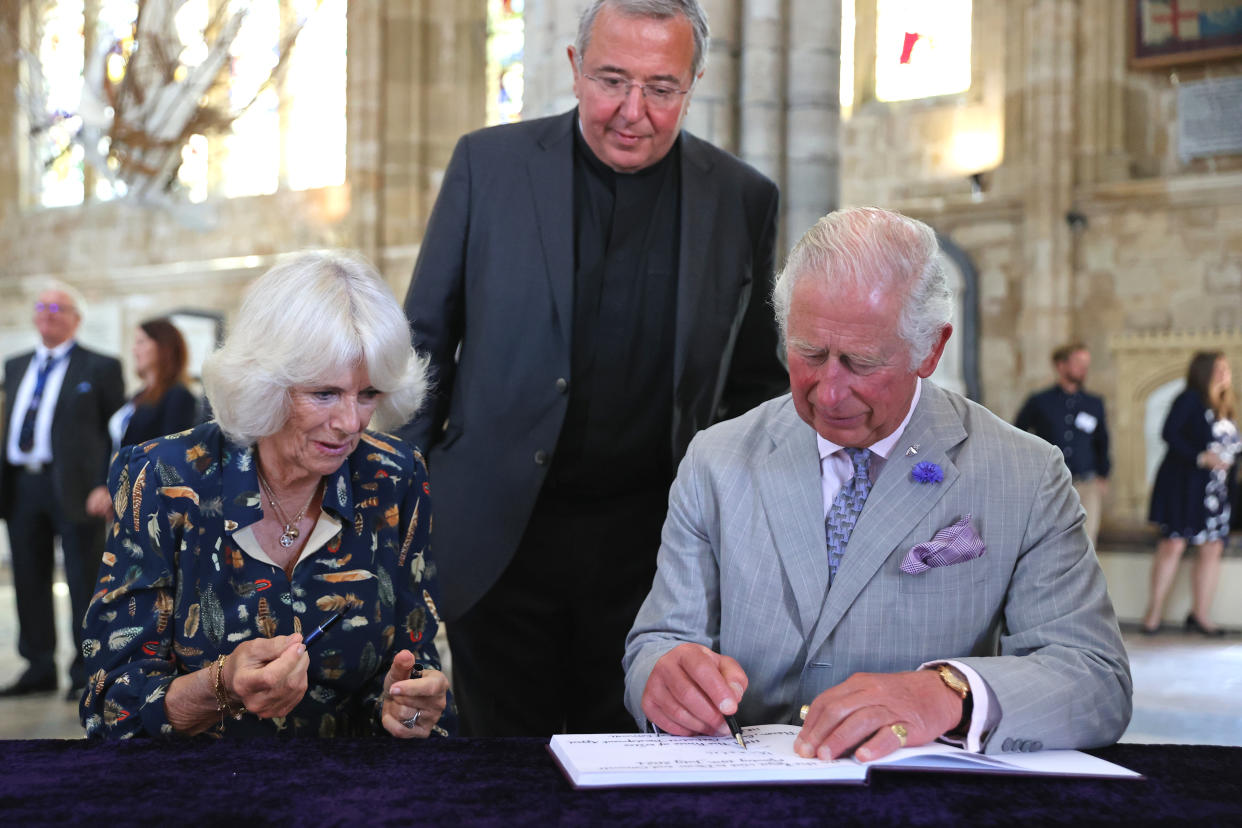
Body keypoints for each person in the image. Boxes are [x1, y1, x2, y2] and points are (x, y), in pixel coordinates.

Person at [398, 0, 786, 736]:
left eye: (661, 88)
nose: (632, 111)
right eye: (612, 79)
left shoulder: (743, 198)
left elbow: (755, 387)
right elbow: (421, 350)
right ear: (575, 70)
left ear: (693, 83)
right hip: (498, 543)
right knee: (499, 774)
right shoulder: (489, 166)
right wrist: (403, 515)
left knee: (633, 777)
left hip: (657, 559)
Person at [624, 207, 1132, 762]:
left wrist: (946, 693)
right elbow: (659, 641)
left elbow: (1095, 679)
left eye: (861, 363)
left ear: (932, 351)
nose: (829, 392)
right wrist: (661, 678)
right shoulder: (717, 459)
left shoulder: (1025, 475)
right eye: (809, 354)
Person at [80, 252, 455, 739]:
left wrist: (407, 704)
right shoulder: (162, 478)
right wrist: (220, 687)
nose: (350, 424)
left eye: (368, 394)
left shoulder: (395, 477)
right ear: (265, 384)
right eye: (325, 393)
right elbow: (108, 705)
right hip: (197, 792)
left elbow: (415, 657)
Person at [1, 283, 125, 699]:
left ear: (76, 317)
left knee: (83, 578)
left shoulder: (101, 367)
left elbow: (118, 434)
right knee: (28, 577)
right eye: (42, 307)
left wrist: (106, 485)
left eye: (58, 308)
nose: (49, 314)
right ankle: (38, 666)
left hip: (76, 489)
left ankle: (86, 671)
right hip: (22, 485)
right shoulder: (15, 365)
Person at [1142, 351, 1239, 636]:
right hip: (1186, 488)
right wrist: (1200, 457)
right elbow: (1169, 434)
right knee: (1172, 545)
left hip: (1216, 493)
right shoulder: (1189, 400)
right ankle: (1154, 613)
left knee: (1212, 548)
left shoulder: (1225, 405)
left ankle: (1200, 614)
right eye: (1218, 368)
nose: (1224, 374)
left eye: (1226, 368)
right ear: (1204, 372)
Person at [82, 318, 199, 522]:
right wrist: (102, 485)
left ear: (164, 347)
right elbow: (115, 446)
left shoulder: (178, 396)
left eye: (141, 342)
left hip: (152, 506)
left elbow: (167, 456)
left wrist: (122, 491)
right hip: (125, 503)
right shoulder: (137, 397)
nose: (134, 350)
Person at [1014, 343, 1110, 548]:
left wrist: (1103, 475)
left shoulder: (1094, 403)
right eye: (1078, 363)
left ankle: (1083, 581)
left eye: (1086, 364)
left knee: (1086, 541)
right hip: (1050, 481)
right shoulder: (1040, 401)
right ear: (1061, 365)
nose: (1083, 369)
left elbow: (1102, 440)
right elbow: (1017, 434)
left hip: (1087, 483)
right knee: (1050, 539)